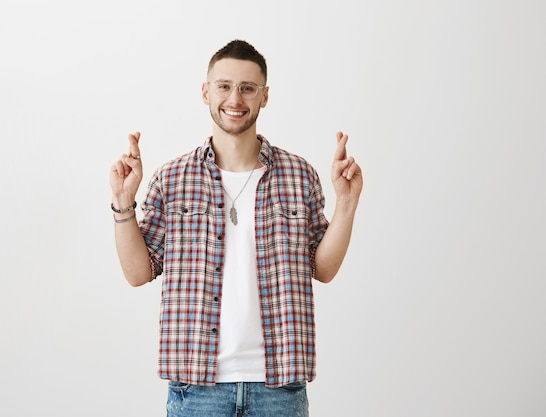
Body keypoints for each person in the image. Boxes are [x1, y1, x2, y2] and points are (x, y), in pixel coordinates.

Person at [109, 39, 363, 417]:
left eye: (248, 88)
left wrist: (346, 202)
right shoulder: (173, 178)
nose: (235, 98)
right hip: (196, 387)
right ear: (205, 92)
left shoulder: (298, 174)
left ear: (265, 96)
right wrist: (123, 201)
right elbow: (137, 272)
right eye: (224, 86)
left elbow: (322, 268)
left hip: (279, 386)